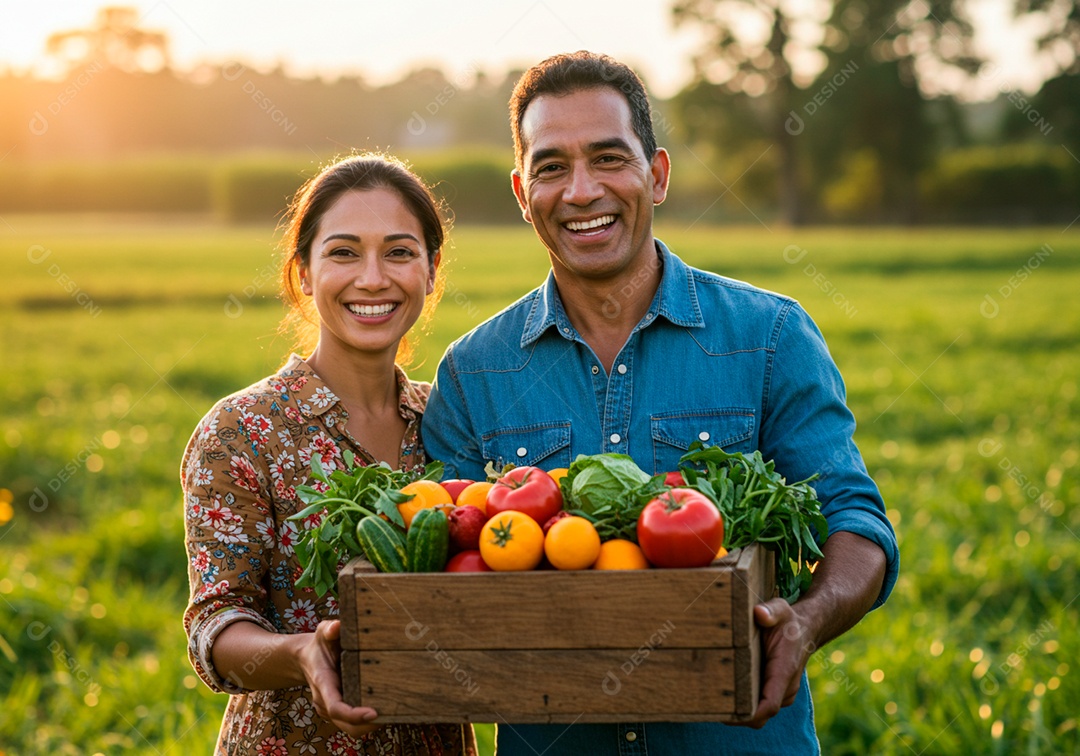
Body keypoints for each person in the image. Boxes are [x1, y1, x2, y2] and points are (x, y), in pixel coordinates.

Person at [421, 51, 899, 754]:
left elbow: (857, 522)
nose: (582, 191)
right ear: (524, 194)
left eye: (609, 158)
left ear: (658, 174)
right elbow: (444, 568)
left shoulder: (768, 336)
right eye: (552, 167)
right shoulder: (473, 370)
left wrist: (805, 619)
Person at [181, 153, 477, 755]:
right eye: (344, 252)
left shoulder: (450, 422)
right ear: (305, 273)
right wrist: (300, 653)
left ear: (431, 270)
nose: (373, 278)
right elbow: (216, 627)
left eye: (399, 252)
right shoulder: (242, 431)